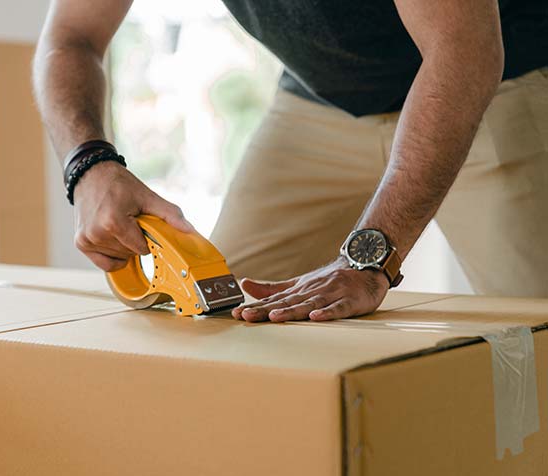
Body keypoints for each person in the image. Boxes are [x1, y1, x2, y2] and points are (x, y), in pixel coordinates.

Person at [32, 0, 548, 322]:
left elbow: (464, 53)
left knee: (536, 322)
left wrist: (369, 261)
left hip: (493, 89)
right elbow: (70, 37)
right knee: (222, 311)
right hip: (318, 102)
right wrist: (88, 164)